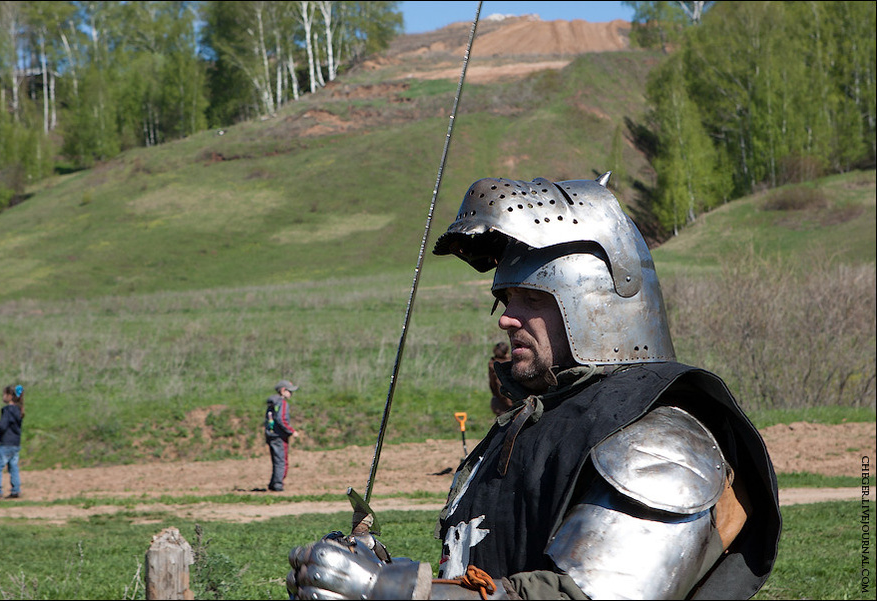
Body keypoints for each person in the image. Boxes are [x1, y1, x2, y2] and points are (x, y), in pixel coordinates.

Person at [287, 174, 781, 600]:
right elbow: (490, 572)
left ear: (598, 304)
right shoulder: (527, 423)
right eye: (505, 297)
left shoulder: (659, 436)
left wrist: (391, 590)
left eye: (531, 298)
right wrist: (377, 570)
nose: (506, 318)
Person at [0, 385, 25, 500]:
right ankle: (16, 490)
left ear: (10, 396)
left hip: (6, 443)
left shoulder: (7, 410)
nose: (3, 396)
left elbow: (3, 425)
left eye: (4, 394)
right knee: (13, 467)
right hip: (16, 443)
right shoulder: (19, 410)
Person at [265, 380, 300, 492]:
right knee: (281, 461)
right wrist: (292, 431)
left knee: (276, 460)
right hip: (279, 436)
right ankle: (278, 485)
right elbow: (282, 419)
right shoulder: (282, 403)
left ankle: (273, 483)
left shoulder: (272, 403)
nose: (291, 394)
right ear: (283, 390)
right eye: (290, 391)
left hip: (270, 434)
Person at [488, 342, 512, 417]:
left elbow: (495, 384)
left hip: (502, 402)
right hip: (512, 401)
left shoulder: (492, 364)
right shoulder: (514, 361)